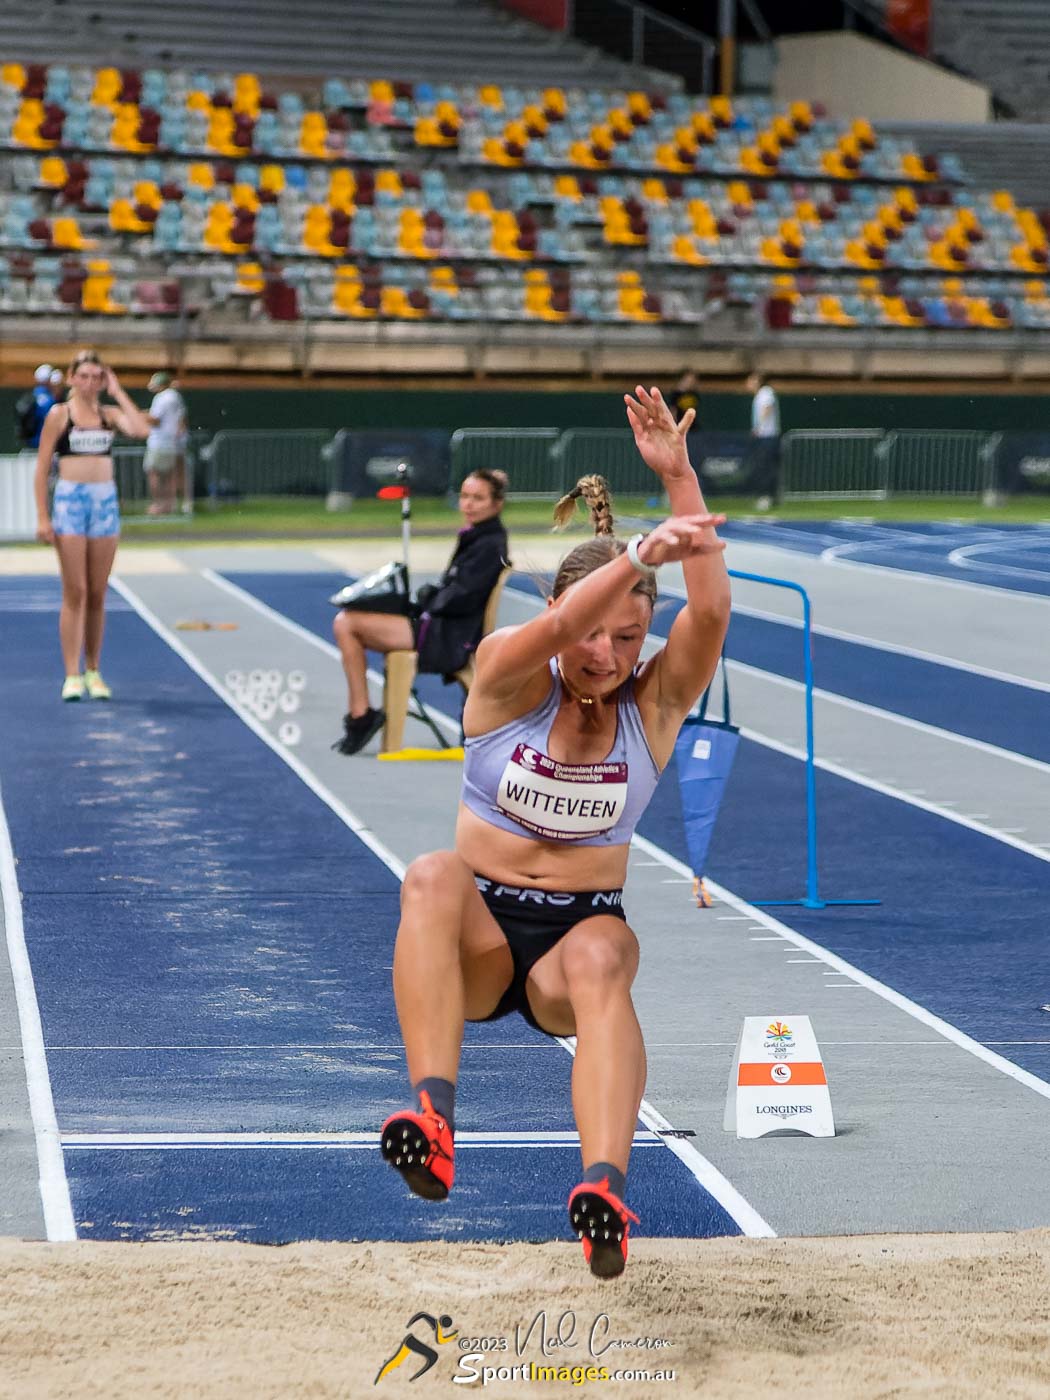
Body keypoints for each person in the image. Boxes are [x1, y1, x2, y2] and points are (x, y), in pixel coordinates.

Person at [378, 386, 730, 1278]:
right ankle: (432, 1117)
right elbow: (569, 624)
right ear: (559, 619)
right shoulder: (502, 676)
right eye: (592, 633)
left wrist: (681, 483)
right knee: (427, 873)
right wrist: (636, 555)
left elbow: (713, 614)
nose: (605, 654)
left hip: (570, 947)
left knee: (609, 953)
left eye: (629, 637)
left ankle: (604, 1191)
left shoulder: (651, 706)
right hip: (479, 937)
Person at [332, 468, 510, 756]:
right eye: (465, 496)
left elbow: (462, 597)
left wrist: (427, 601)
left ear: (496, 504)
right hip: (442, 626)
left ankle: (361, 716)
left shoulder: (490, 544)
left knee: (347, 623)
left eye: (478, 498)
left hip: (448, 636)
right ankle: (360, 713)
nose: (468, 504)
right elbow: (455, 591)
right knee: (349, 618)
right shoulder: (478, 537)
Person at [34, 350, 152, 701]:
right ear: (71, 378)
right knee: (76, 591)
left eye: (95, 377)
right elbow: (42, 468)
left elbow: (142, 429)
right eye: (82, 376)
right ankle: (71, 673)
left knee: (99, 592)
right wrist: (43, 517)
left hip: (104, 503)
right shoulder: (60, 415)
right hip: (72, 502)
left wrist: (117, 391)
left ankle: (93, 669)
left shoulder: (108, 414)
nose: (89, 383)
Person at [143, 370, 187, 516]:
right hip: (172, 442)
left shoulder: (162, 397)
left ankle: (159, 506)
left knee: (154, 473)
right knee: (170, 476)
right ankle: (171, 505)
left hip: (159, 442)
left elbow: (155, 420)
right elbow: (182, 420)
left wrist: (140, 415)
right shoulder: (176, 396)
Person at [746, 370, 781, 501]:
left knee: (767, 467)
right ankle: (766, 495)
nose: (748, 383)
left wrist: (758, 427)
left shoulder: (766, 392)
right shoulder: (760, 394)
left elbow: (767, 408)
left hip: (768, 436)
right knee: (762, 466)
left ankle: (768, 496)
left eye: (751, 380)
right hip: (763, 436)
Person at [15, 364, 55, 452]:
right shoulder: (48, 400)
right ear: (48, 380)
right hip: (43, 447)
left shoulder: (32, 396)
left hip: (29, 446)